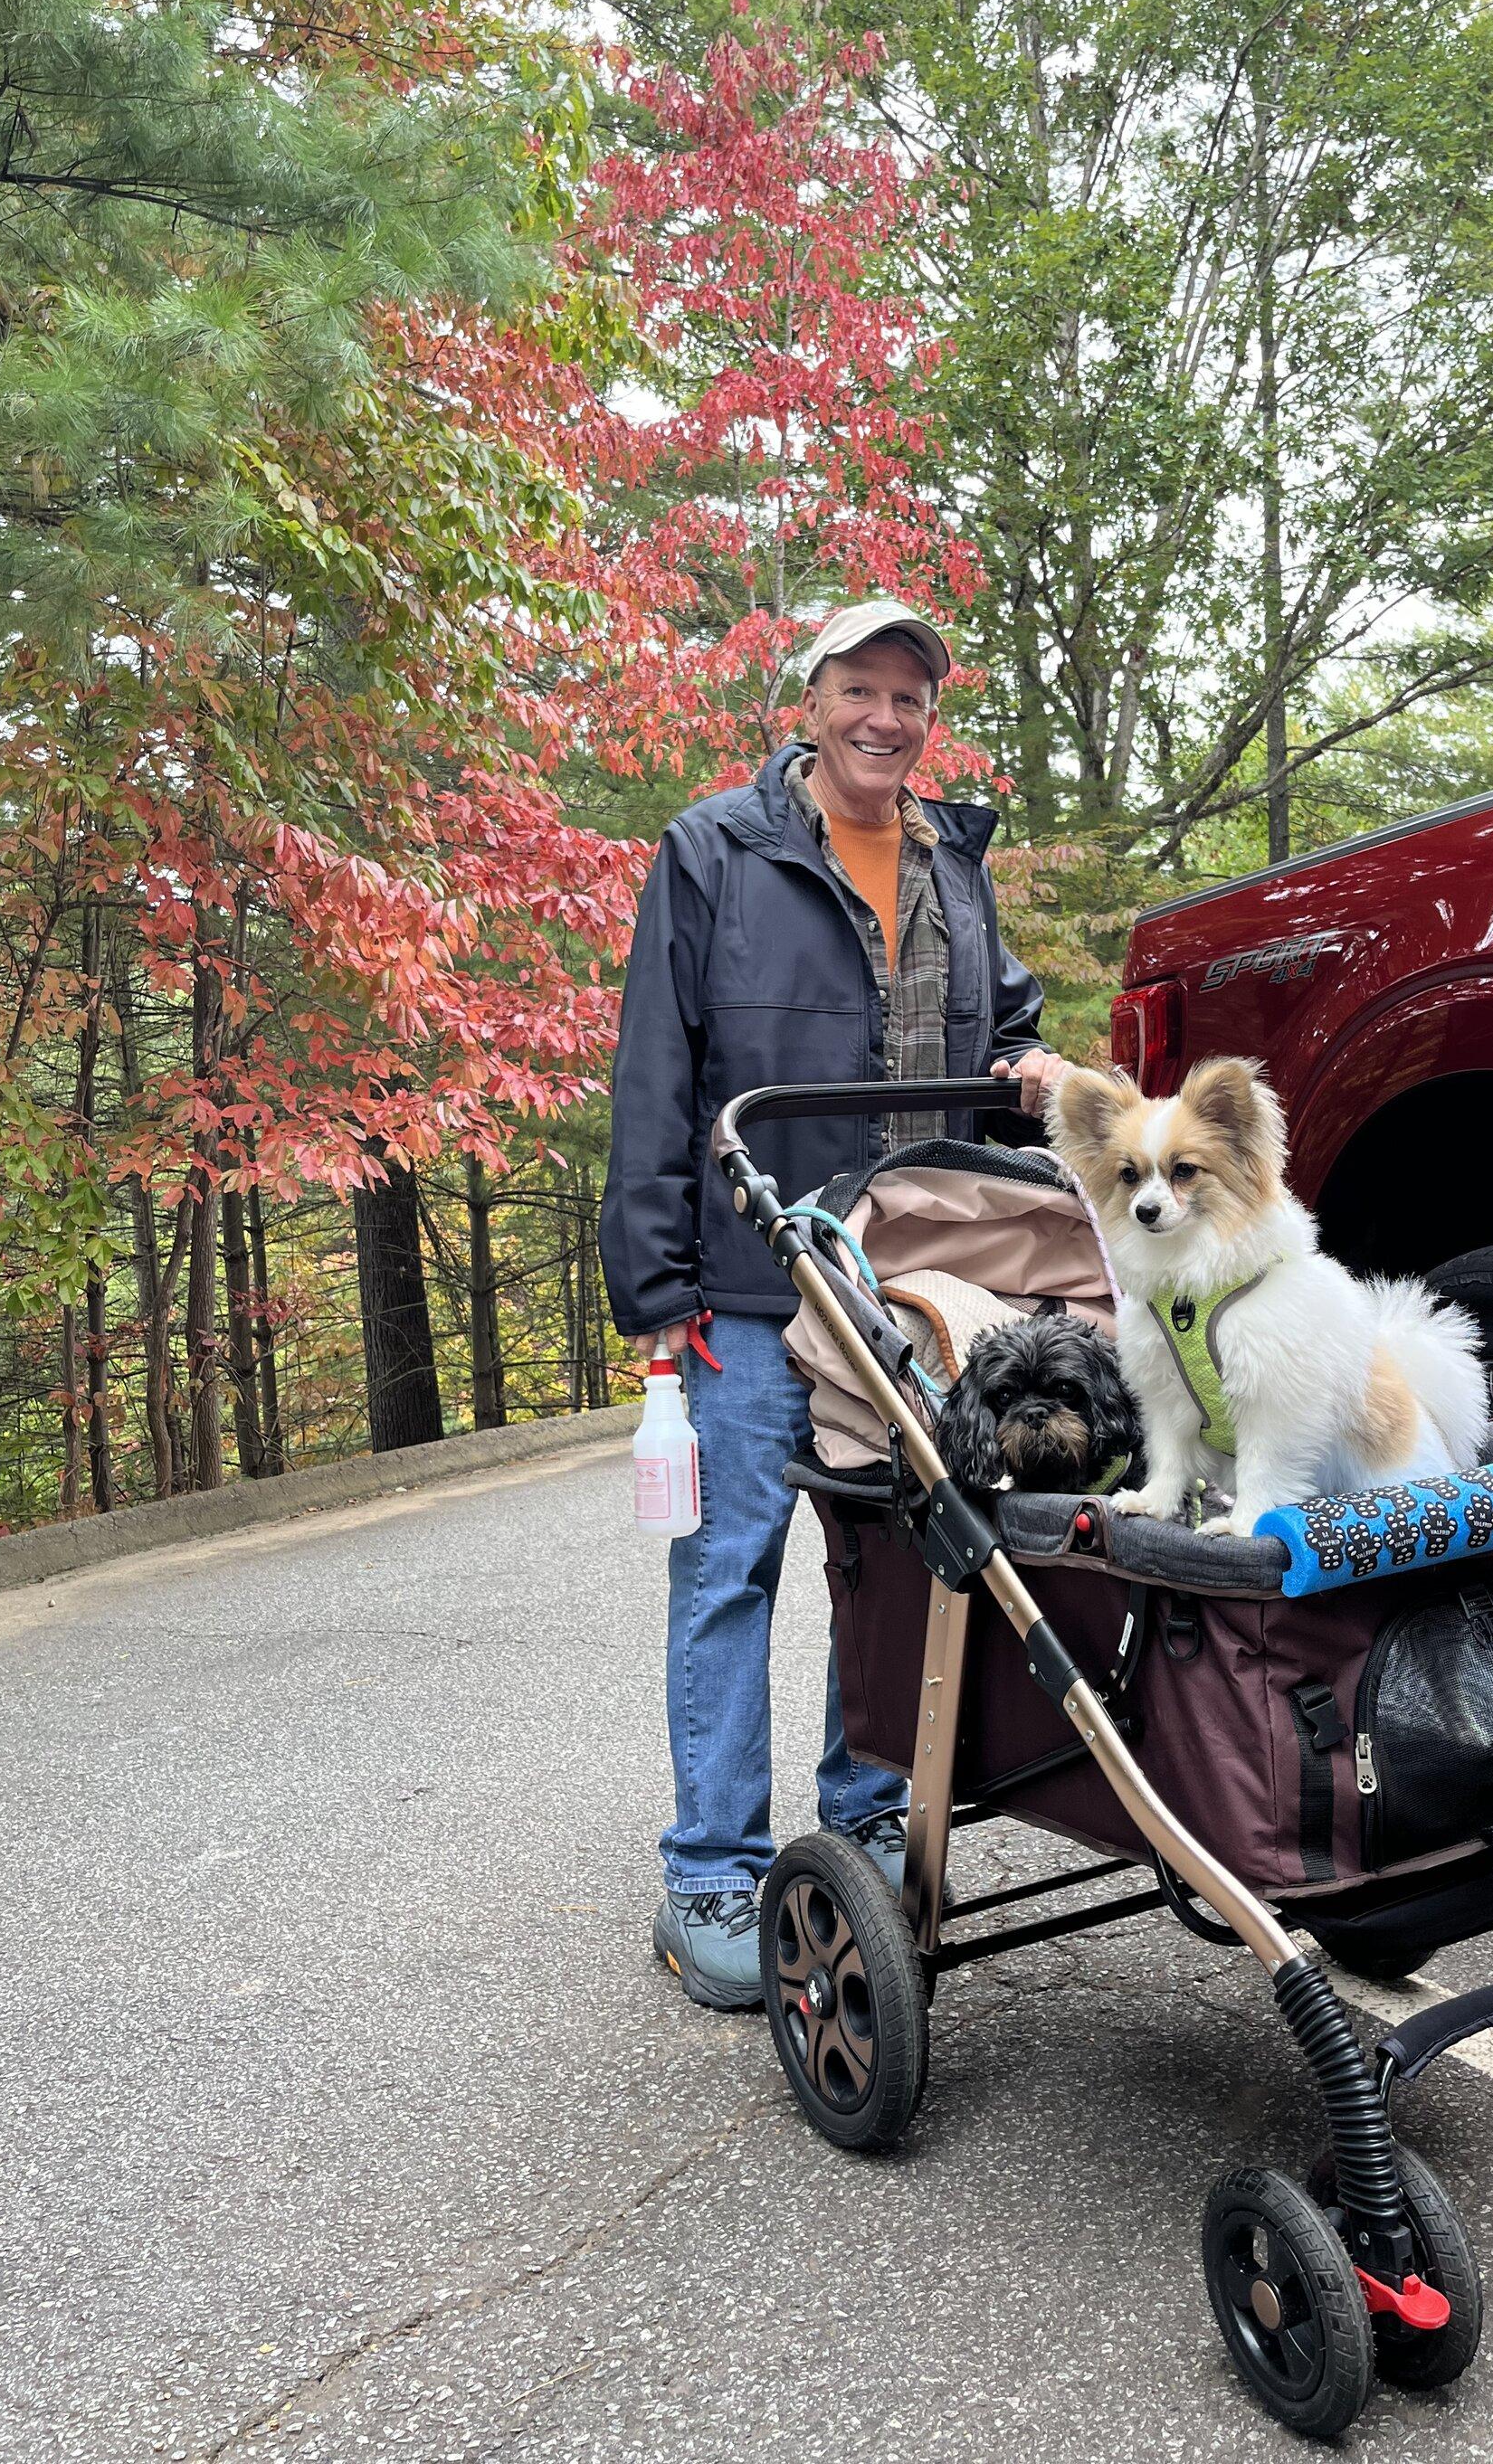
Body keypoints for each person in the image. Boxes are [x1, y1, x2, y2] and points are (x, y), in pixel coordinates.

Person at [601, 598, 1067, 2010]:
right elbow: (653, 1076)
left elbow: (1003, 1024)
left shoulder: (951, 860)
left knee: (899, 1560)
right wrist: (655, 1288)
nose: (885, 719)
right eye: (859, 690)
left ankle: (863, 1821)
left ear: (930, 720)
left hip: (907, 1277)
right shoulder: (715, 849)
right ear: (807, 702)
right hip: (751, 1282)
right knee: (729, 1570)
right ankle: (712, 1874)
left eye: (909, 700)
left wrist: (1030, 1065)